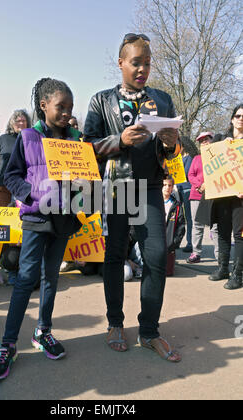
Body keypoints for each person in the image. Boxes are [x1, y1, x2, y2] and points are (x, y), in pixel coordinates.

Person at [84, 33, 182, 362]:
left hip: (151, 187)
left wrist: (170, 143)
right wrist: (120, 140)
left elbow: (172, 154)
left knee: (155, 256)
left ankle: (149, 331)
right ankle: (115, 324)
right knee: (113, 256)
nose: (142, 69)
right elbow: (87, 148)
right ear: (121, 63)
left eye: (148, 63)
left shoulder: (163, 99)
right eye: (136, 63)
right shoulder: (101, 101)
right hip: (117, 187)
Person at [0, 77, 82, 381]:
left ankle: (43, 332)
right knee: (26, 280)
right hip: (35, 219)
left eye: (70, 107)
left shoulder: (76, 140)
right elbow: (9, 176)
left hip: (63, 219)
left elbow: (86, 178)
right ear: (43, 105)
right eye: (60, 106)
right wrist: (31, 194)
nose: (66, 112)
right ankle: (7, 344)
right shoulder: (27, 137)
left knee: (51, 278)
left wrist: (84, 194)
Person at [208, 104, 243, 289]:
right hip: (222, 195)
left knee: (239, 235)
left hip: (240, 198)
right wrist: (224, 145)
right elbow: (210, 159)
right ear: (232, 119)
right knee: (222, 232)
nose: (241, 119)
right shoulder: (220, 138)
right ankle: (222, 268)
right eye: (238, 115)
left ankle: (238, 274)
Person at [186, 132, 218, 263]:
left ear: (213, 141)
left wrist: (209, 184)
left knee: (215, 226)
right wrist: (200, 185)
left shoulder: (218, 157)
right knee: (197, 225)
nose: (204, 142)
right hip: (196, 195)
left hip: (214, 195)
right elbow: (190, 175)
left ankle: (220, 255)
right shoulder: (196, 159)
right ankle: (196, 253)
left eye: (207, 139)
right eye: (201, 141)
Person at [0, 110, 31, 207]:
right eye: (18, 121)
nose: (21, 123)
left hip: (24, 186)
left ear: (27, 123)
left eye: (23, 121)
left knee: (20, 216)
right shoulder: (3, 139)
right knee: (5, 216)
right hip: (4, 185)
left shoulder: (30, 140)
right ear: (12, 123)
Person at [177, 137, 198, 253]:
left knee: (190, 218)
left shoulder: (190, 158)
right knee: (179, 218)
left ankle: (190, 243)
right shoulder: (178, 158)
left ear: (183, 146)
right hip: (178, 190)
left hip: (187, 190)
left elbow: (186, 174)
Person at [162, 176, 185, 276]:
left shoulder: (177, 206)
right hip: (154, 243)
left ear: (172, 188)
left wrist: (174, 243)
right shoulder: (153, 204)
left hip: (168, 246)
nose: (167, 187)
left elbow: (181, 227)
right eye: (164, 185)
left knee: (167, 272)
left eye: (169, 185)